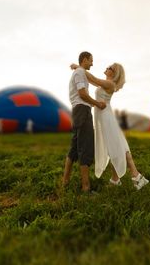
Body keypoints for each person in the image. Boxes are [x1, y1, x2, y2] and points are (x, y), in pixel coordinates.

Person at [70, 61, 149, 190]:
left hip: (106, 118)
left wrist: (79, 68)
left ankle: (134, 177)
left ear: (114, 72)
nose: (106, 68)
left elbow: (93, 79)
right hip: (104, 116)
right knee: (117, 146)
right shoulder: (106, 83)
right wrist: (81, 71)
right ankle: (119, 178)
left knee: (115, 146)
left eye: (110, 68)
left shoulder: (109, 83)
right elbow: (93, 80)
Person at [62, 51, 107, 194]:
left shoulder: (79, 72)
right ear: (85, 59)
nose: (92, 64)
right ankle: (86, 188)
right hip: (82, 111)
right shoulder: (80, 72)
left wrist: (77, 67)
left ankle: (65, 182)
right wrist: (97, 104)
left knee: (74, 148)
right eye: (91, 61)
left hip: (77, 111)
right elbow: (82, 93)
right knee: (85, 148)